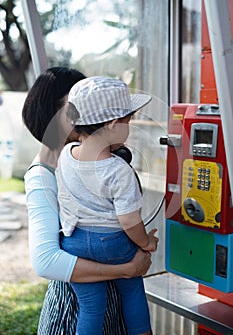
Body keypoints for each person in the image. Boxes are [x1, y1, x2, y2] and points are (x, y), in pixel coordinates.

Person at [22, 67, 153, 335]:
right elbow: (46, 261)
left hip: (113, 305)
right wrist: (126, 269)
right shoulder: (42, 175)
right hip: (75, 311)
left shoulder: (96, 160)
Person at [56, 76, 159, 335]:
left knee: (91, 306)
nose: (129, 128)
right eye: (128, 122)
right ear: (113, 124)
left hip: (74, 242)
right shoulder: (117, 170)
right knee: (132, 290)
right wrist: (146, 242)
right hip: (113, 244)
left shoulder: (65, 156)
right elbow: (128, 221)